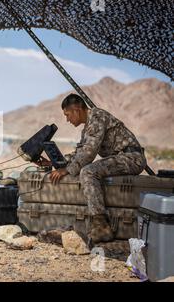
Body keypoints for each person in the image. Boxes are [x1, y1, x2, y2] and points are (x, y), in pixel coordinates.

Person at [49, 93, 147, 243]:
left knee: (88, 171)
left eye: (67, 115)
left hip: (131, 158)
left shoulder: (97, 117)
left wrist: (67, 170)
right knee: (87, 169)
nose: (67, 120)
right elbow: (80, 152)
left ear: (76, 109)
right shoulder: (89, 126)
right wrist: (54, 164)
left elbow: (88, 153)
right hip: (120, 158)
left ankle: (101, 226)